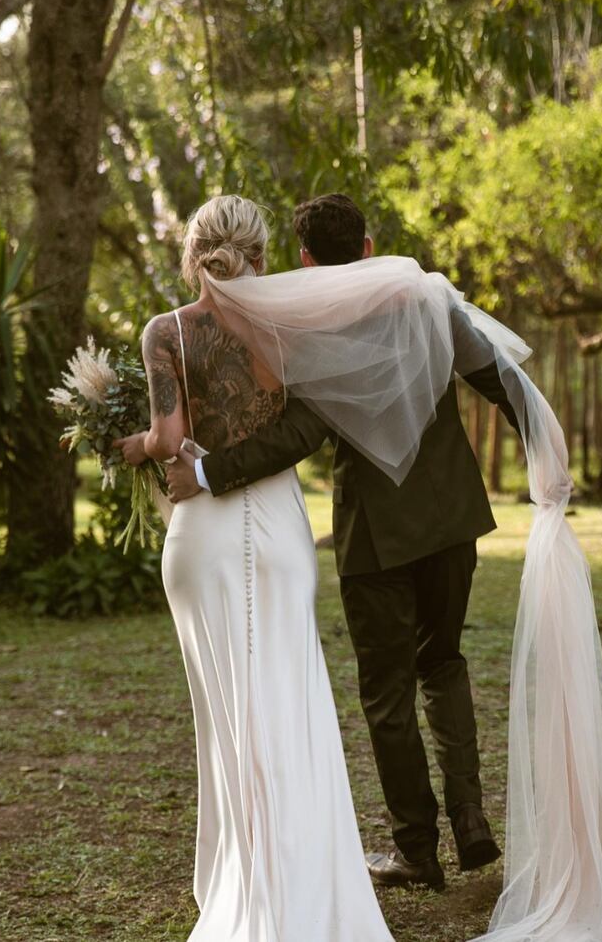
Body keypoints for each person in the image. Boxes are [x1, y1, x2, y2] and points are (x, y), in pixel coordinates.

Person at [166, 193, 521, 890]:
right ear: (366, 243)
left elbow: (298, 435)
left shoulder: (314, 327)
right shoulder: (426, 296)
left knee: (387, 694)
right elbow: (496, 373)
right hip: (452, 520)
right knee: (443, 663)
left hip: (376, 540)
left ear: (303, 258)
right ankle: (472, 818)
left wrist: (206, 470)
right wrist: (542, 444)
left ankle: (417, 850)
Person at [115, 195, 395, 941]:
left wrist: (134, 445)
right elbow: (306, 423)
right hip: (276, 529)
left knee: (229, 719)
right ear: (263, 253)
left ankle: (246, 877)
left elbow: (172, 438)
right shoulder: (291, 322)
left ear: (193, 251)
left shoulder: (166, 331)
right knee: (289, 704)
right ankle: (303, 879)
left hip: (202, 540)